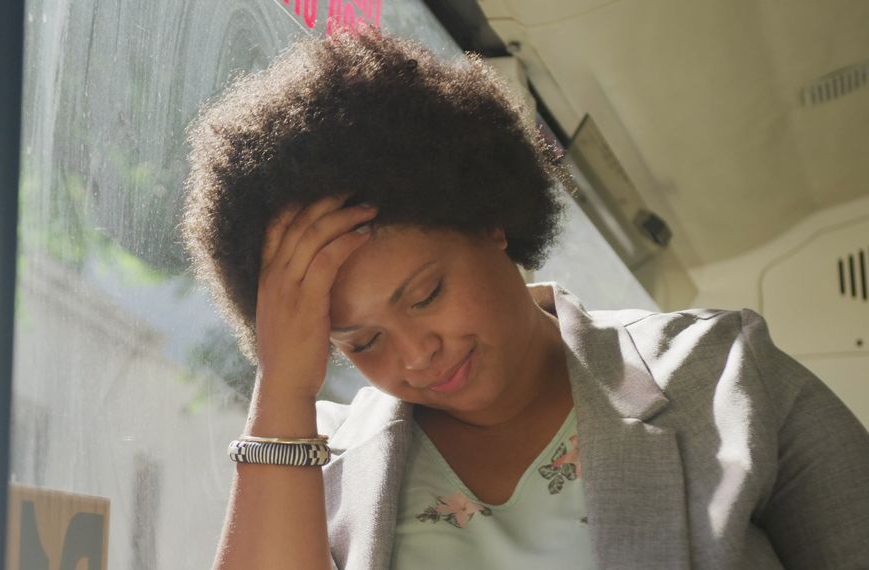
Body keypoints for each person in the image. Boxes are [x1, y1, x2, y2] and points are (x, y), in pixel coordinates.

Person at [180, 30, 869, 569]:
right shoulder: (317, 465)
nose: (417, 355)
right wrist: (282, 386)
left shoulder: (723, 372)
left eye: (426, 294)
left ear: (490, 220)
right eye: (360, 342)